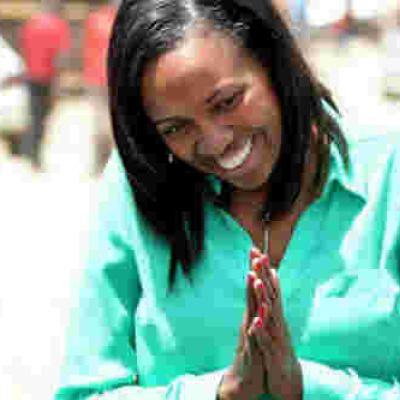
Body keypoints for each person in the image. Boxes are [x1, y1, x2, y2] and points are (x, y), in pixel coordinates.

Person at [55, 0, 400, 399]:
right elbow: (84, 392)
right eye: (176, 128)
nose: (216, 143)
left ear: (273, 61)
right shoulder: (137, 186)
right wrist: (219, 393)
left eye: (226, 102)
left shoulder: (388, 178)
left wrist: (313, 388)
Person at [2, 0, 71, 168]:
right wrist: (60, 83)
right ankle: (34, 155)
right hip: (47, 78)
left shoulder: (30, 24)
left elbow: (21, 47)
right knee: (42, 116)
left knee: (33, 114)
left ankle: (29, 151)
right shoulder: (58, 25)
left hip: (30, 76)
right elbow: (60, 56)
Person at [81, 0, 118, 172]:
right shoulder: (119, 21)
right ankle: (108, 165)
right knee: (107, 124)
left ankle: (101, 165)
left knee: (102, 123)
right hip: (106, 79)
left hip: (100, 79)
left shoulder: (95, 19)